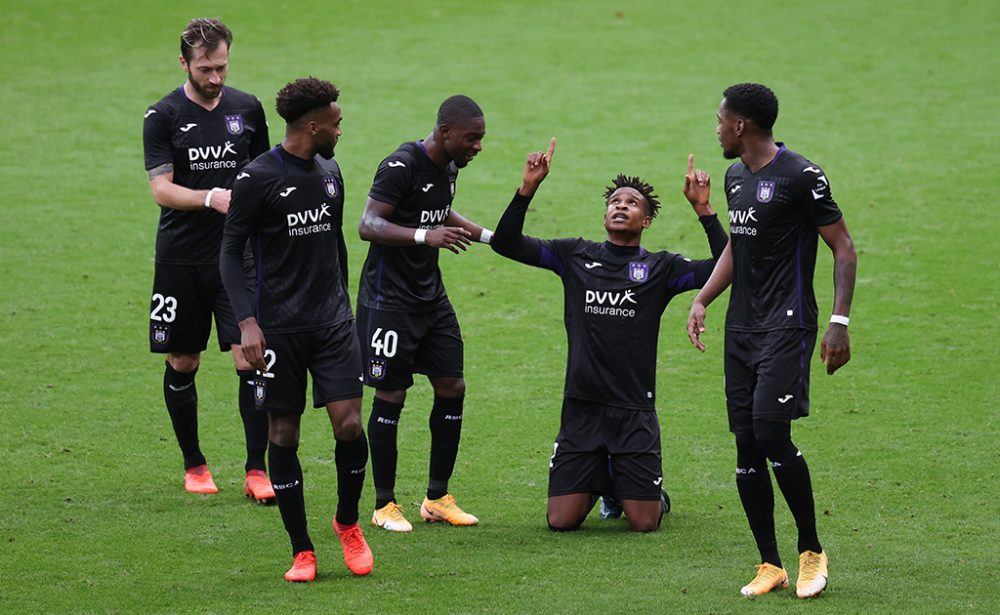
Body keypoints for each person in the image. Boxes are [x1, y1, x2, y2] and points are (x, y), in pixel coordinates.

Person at [491, 139, 727, 532]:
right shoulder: (574, 255)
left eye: (632, 203)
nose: (621, 205)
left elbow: (726, 264)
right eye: (615, 201)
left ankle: (633, 489)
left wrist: (704, 209)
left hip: (633, 410)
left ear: (646, 221)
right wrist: (527, 187)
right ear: (605, 213)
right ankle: (604, 479)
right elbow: (506, 243)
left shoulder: (661, 268)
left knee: (644, 524)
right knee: (561, 522)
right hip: (582, 407)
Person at [686, 83, 856, 599]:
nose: (715, 127)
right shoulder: (737, 177)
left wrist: (839, 322)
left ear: (740, 126)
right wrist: (703, 299)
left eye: (720, 120)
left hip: (788, 324)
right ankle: (770, 563)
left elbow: (843, 248)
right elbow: (737, 249)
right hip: (741, 327)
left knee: (770, 432)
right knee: (745, 443)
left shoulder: (802, 175)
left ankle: (811, 551)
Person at [220, 77, 372, 582]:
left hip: (331, 322)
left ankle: (347, 524)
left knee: (349, 425)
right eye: (336, 123)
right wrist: (247, 324)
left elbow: (336, 245)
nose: (340, 131)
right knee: (283, 433)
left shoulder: (330, 171)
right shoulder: (257, 177)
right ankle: (302, 549)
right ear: (312, 126)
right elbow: (229, 253)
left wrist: (346, 306)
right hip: (278, 329)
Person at [142, 18, 274, 502]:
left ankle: (256, 469)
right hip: (181, 259)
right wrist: (209, 199)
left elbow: (264, 173)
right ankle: (194, 464)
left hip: (238, 258)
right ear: (184, 63)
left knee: (252, 356)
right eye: (205, 68)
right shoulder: (162, 115)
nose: (215, 78)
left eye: (221, 67)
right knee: (183, 359)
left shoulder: (248, 108)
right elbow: (160, 188)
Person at [357, 95, 492, 532]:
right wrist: (423, 236)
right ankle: (383, 504)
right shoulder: (399, 166)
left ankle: (436, 498)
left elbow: (439, 210)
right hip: (388, 301)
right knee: (391, 395)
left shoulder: (448, 167)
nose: (477, 147)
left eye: (480, 139)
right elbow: (369, 224)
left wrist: (489, 235)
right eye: (472, 138)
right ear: (445, 132)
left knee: (452, 385)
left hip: (430, 299)